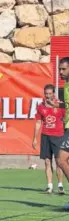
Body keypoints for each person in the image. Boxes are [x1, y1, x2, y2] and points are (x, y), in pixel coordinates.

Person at [32, 84, 65, 195]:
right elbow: (38, 122)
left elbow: (66, 119)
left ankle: (60, 185)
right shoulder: (41, 106)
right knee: (47, 161)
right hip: (45, 136)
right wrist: (35, 138)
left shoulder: (60, 106)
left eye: (50, 94)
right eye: (46, 94)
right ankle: (49, 186)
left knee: (59, 162)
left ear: (54, 94)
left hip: (58, 136)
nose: (47, 96)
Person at [51, 57, 69, 210]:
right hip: (68, 126)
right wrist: (58, 104)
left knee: (61, 159)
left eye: (63, 69)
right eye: (59, 69)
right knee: (61, 160)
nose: (60, 72)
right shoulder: (66, 85)